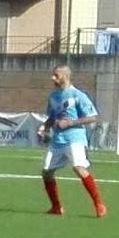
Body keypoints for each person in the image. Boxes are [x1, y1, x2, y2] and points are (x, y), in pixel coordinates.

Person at [38, 65, 107, 218]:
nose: (52, 78)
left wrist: (70, 123)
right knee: (46, 173)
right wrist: (44, 127)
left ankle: (98, 203)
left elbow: (93, 117)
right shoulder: (54, 96)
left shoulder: (78, 95)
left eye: (56, 75)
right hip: (57, 140)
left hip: (74, 138)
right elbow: (52, 117)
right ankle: (56, 207)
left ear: (65, 76)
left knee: (79, 168)